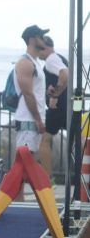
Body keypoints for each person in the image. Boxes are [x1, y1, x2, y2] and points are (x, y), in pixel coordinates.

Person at [12, 25, 50, 200]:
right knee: (22, 164)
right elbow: (27, 93)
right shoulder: (25, 62)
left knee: (27, 163)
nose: (45, 40)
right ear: (33, 40)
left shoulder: (35, 63)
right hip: (28, 121)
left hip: (33, 120)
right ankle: (17, 200)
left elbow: (33, 91)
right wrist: (38, 119)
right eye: (41, 37)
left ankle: (20, 199)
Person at [38, 36, 75, 185]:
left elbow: (64, 74)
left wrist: (56, 94)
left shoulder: (51, 59)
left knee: (43, 141)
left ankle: (49, 181)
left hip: (58, 107)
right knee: (78, 139)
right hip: (69, 106)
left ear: (44, 46)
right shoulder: (61, 58)